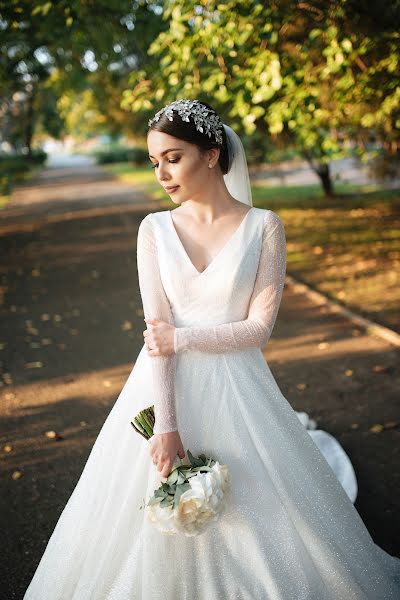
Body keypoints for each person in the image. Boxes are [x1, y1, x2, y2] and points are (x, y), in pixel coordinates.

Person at [23, 98, 400, 599]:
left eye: (172, 157)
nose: (161, 173)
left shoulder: (264, 226)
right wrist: (167, 426)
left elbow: (258, 328)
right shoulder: (154, 230)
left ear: (212, 154)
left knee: (262, 508)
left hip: (240, 389)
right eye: (154, 162)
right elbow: (155, 331)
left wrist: (183, 337)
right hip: (164, 388)